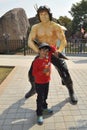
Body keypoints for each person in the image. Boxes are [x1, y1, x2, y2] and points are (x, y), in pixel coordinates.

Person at [25, 5, 78, 104]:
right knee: (31, 73)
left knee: (65, 73)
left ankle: (71, 91)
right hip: (42, 53)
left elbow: (63, 40)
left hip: (54, 52)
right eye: (41, 14)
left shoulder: (55, 26)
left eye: (45, 14)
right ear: (38, 16)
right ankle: (33, 88)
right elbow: (30, 41)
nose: (44, 16)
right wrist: (38, 51)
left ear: (49, 14)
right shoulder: (35, 27)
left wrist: (59, 50)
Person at [32, 43, 55, 125]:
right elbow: (34, 73)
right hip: (39, 83)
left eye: (46, 51)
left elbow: (53, 50)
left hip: (47, 81)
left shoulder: (48, 58)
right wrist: (42, 72)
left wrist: (48, 46)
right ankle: (39, 114)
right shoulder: (36, 61)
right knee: (40, 98)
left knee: (45, 96)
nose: (45, 52)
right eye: (43, 50)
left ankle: (44, 108)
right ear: (39, 51)